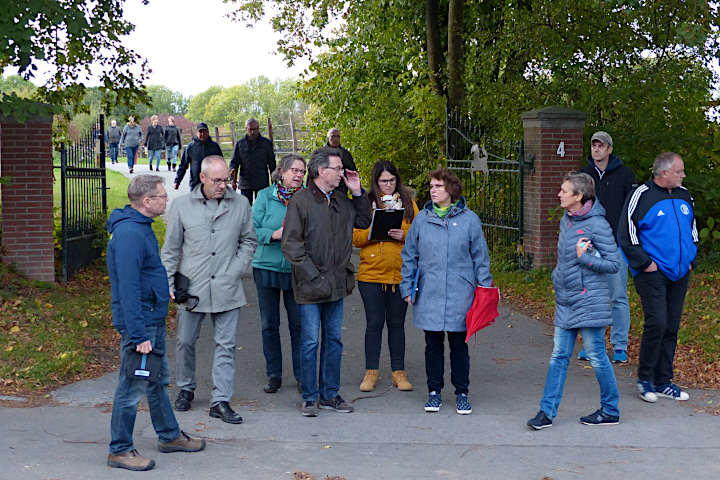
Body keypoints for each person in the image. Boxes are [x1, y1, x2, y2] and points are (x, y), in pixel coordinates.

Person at [106, 175, 205, 471]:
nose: (167, 200)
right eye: (162, 196)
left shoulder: (142, 228)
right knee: (132, 386)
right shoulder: (130, 235)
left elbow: (147, 274)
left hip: (152, 318)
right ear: (147, 202)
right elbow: (128, 288)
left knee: (157, 381)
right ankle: (120, 449)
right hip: (142, 325)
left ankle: (169, 435)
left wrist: (166, 292)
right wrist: (138, 334)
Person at [162, 156, 257, 424]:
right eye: (217, 180)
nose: (223, 185)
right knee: (184, 341)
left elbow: (249, 241)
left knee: (226, 345)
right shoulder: (182, 206)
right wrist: (169, 284)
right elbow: (170, 250)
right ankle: (186, 387)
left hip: (228, 287)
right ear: (202, 178)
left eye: (226, 179)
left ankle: (220, 400)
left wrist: (235, 269)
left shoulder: (240, 203)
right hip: (192, 288)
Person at [281, 147, 372, 417]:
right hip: (311, 285)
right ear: (322, 171)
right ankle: (310, 397)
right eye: (338, 169)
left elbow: (365, 220)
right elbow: (291, 244)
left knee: (334, 340)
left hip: (337, 283)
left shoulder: (343, 200)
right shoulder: (301, 201)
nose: (342, 173)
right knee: (310, 342)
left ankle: (330, 394)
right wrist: (313, 274)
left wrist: (357, 191)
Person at [527, 172, 621, 430]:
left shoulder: (598, 225)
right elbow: (563, 259)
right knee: (558, 355)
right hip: (566, 300)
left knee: (597, 357)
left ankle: (610, 409)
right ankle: (546, 413)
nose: (559, 194)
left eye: (564, 190)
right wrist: (558, 277)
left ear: (578, 196)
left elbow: (614, 264)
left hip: (589, 300)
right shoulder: (566, 220)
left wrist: (585, 258)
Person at [400, 167, 492, 416]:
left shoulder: (469, 219)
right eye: (431, 185)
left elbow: (480, 259)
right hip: (429, 290)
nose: (433, 189)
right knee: (432, 344)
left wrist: (485, 290)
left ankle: (462, 393)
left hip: (461, 292)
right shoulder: (422, 218)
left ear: (451, 189)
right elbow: (410, 255)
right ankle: (434, 392)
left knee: (459, 345)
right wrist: (407, 287)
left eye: (438, 185)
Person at [618, 152, 698, 403]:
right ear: (664, 173)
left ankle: (664, 381)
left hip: (680, 272)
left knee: (672, 326)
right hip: (652, 271)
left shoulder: (685, 195)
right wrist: (644, 263)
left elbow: (692, 228)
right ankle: (646, 379)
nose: (683, 175)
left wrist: (691, 259)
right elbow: (626, 233)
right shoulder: (641, 195)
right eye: (679, 171)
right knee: (658, 322)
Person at [353, 160, 417, 392]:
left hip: (400, 275)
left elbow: (420, 233)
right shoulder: (366, 203)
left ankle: (398, 372)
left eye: (391, 180)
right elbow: (355, 238)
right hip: (370, 274)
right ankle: (371, 372)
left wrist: (404, 234)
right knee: (374, 324)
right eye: (383, 181)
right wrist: (372, 232)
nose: (388, 185)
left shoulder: (409, 203)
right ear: (375, 182)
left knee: (397, 325)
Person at [576, 131, 637, 364]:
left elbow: (633, 212)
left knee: (618, 297)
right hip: (590, 246)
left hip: (615, 246)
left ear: (610, 149)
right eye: (594, 146)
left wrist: (626, 242)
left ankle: (620, 346)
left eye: (601, 146)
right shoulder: (583, 175)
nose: (597, 150)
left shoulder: (625, 175)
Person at [251, 154, 307, 394]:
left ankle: (302, 375)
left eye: (302, 171)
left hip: (297, 269)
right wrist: (273, 234)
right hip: (267, 266)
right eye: (294, 170)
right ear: (281, 172)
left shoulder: (308, 198)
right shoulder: (264, 196)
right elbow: (251, 229)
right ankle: (273, 374)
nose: (298, 175)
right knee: (269, 325)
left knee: (299, 325)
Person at [230, 118, 276, 205]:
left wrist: (275, 181)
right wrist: (232, 179)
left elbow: (272, 164)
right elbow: (234, 163)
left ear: (258, 128)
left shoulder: (266, 144)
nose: (253, 132)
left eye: (255, 129)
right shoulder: (240, 144)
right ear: (246, 129)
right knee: (245, 209)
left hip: (262, 183)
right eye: (250, 129)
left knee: (262, 208)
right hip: (245, 183)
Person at [174, 123, 223, 191]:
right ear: (196, 133)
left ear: (208, 132)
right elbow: (183, 165)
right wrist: (177, 181)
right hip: (195, 183)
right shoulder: (191, 147)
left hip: (212, 183)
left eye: (204, 132)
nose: (202, 134)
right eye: (200, 132)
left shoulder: (215, 147)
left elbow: (221, 165)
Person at [326, 128, 358, 196]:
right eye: (333, 136)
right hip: (325, 187)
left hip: (341, 189)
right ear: (328, 138)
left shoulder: (346, 154)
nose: (336, 139)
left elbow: (353, 172)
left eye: (338, 136)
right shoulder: (321, 154)